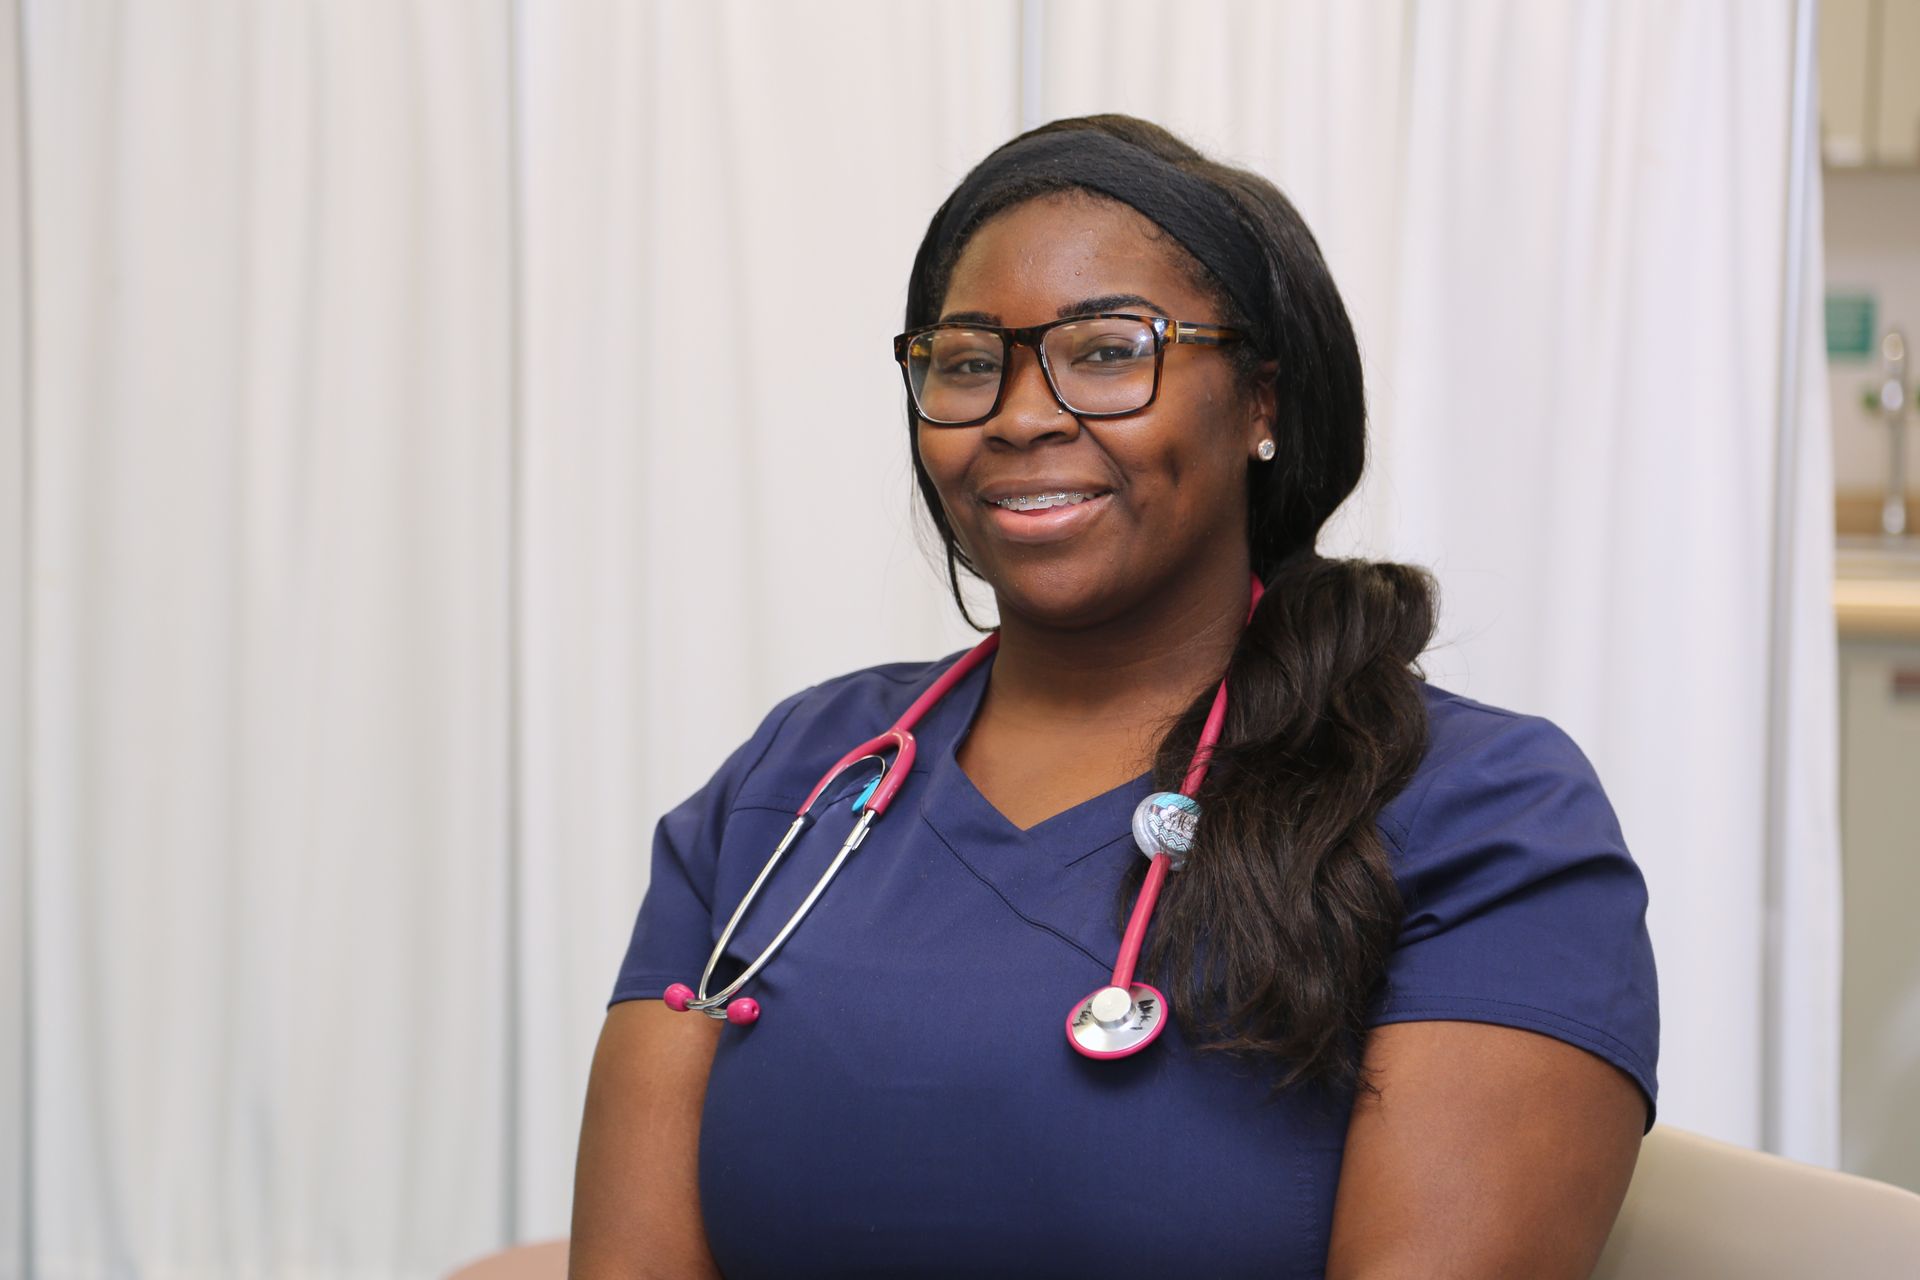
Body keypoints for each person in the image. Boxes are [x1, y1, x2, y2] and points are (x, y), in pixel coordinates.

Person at [570, 114, 1658, 1279]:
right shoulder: (797, 777)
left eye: (1105, 349)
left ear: (1262, 404)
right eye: (969, 361)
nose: (1020, 414)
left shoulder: (1483, 813)